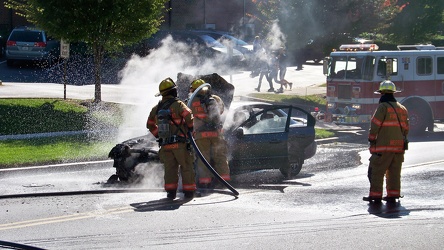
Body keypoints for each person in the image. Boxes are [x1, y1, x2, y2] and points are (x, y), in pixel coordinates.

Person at [146, 77, 196, 199]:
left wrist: (158, 135)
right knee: (186, 167)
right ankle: (189, 192)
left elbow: (149, 124)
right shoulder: (178, 104)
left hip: (165, 145)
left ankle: (171, 192)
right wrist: (190, 128)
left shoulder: (156, 108)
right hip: (180, 144)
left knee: (170, 169)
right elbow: (188, 115)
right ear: (173, 92)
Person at [363, 80, 409, 204]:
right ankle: (393, 194)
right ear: (393, 93)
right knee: (394, 172)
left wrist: (371, 139)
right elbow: (406, 128)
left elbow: (375, 125)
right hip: (399, 147)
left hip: (384, 147)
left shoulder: (383, 107)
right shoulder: (402, 108)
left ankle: (376, 195)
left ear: (382, 94)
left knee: (377, 170)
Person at [188, 79, 231, 189]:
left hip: (201, 136)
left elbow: (187, 116)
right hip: (216, 133)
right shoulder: (215, 99)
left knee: (203, 159)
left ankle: (205, 182)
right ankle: (224, 181)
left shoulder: (191, 101)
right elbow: (221, 112)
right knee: (220, 157)